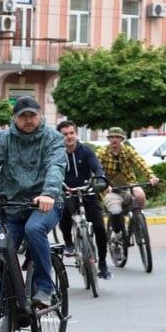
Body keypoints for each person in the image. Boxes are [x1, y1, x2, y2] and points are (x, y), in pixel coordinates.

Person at [0, 96, 66, 321]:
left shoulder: (53, 138)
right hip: (12, 206)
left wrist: (48, 193)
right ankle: (8, 306)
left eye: (32, 115)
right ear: (15, 119)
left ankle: (45, 288)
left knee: (34, 229)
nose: (28, 120)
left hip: (45, 204)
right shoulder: (4, 139)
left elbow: (55, 167)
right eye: (22, 116)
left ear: (40, 116)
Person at [56, 120, 111, 280]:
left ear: (76, 133)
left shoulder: (86, 151)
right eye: (65, 134)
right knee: (64, 214)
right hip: (67, 191)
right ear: (60, 137)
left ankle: (102, 263)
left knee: (99, 227)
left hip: (87, 191)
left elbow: (96, 167)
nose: (69, 136)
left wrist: (100, 177)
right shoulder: (57, 153)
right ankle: (69, 243)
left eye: (71, 133)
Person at [96, 127, 158, 236]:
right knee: (115, 211)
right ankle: (117, 233)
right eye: (112, 137)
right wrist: (103, 184)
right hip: (110, 187)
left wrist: (151, 176)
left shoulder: (128, 150)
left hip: (129, 184)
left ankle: (136, 221)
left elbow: (140, 162)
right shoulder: (102, 152)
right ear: (109, 139)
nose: (115, 139)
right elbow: (95, 167)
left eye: (117, 137)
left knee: (140, 196)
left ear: (121, 139)